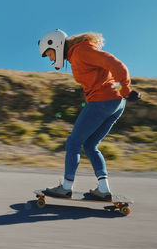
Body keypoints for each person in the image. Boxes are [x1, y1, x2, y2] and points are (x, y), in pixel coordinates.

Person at [38, 29, 141, 200]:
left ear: (56, 45)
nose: (50, 58)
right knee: (90, 146)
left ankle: (66, 187)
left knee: (73, 143)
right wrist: (122, 92)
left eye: (49, 54)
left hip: (103, 101)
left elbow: (115, 64)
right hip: (114, 103)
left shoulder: (81, 51)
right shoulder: (76, 54)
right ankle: (104, 189)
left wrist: (125, 88)